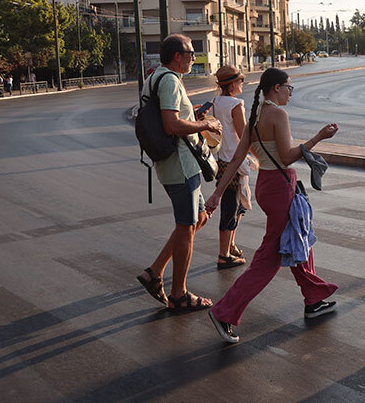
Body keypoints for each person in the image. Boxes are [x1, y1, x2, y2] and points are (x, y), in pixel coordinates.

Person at [205, 68, 339, 343]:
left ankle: (314, 299)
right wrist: (318, 138)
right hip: (281, 186)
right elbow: (289, 157)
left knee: (299, 240)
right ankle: (224, 312)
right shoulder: (278, 114)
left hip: (267, 184)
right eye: (289, 87)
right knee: (269, 259)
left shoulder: (255, 115)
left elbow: (239, 156)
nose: (291, 92)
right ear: (276, 88)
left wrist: (217, 193)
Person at [135, 34, 223, 311]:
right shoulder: (171, 81)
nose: (193, 58)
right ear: (177, 56)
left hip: (173, 162)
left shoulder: (155, 78)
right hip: (181, 165)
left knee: (198, 218)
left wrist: (193, 114)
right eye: (190, 53)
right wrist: (205, 125)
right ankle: (179, 295)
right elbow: (172, 125)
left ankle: (155, 272)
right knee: (186, 226)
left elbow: (169, 118)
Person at [210, 64, 254, 270]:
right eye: (241, 80)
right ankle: (223, 254)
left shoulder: (216, 101)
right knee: (231, 206)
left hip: (221, 158)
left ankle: (230, 245)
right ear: (233, 84)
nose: (242, 83)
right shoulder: (236, 104)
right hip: (234, 160)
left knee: (238, 205)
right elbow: (243, 135)